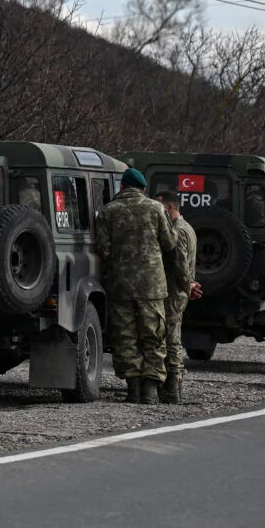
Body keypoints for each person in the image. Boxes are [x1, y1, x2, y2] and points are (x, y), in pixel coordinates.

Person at [93, 168, 180, 404]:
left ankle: (133, 389)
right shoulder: (156, 208)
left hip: (120, 285)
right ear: (143, 189)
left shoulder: (108, 211)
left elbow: (103, 249)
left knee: (125, 338)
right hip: (152, 286)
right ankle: (151, 390)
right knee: (153, 336)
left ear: (121, 187)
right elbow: (170, 242)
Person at [154, 191, 202, 404]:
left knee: (171, 338)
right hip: (178, 290)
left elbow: (180, 264)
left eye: (160, 207)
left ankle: (173, 385)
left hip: (174, 291)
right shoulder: (188, 228)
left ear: (171, 207)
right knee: (171, 336)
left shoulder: (178, 231)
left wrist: (188, 285)